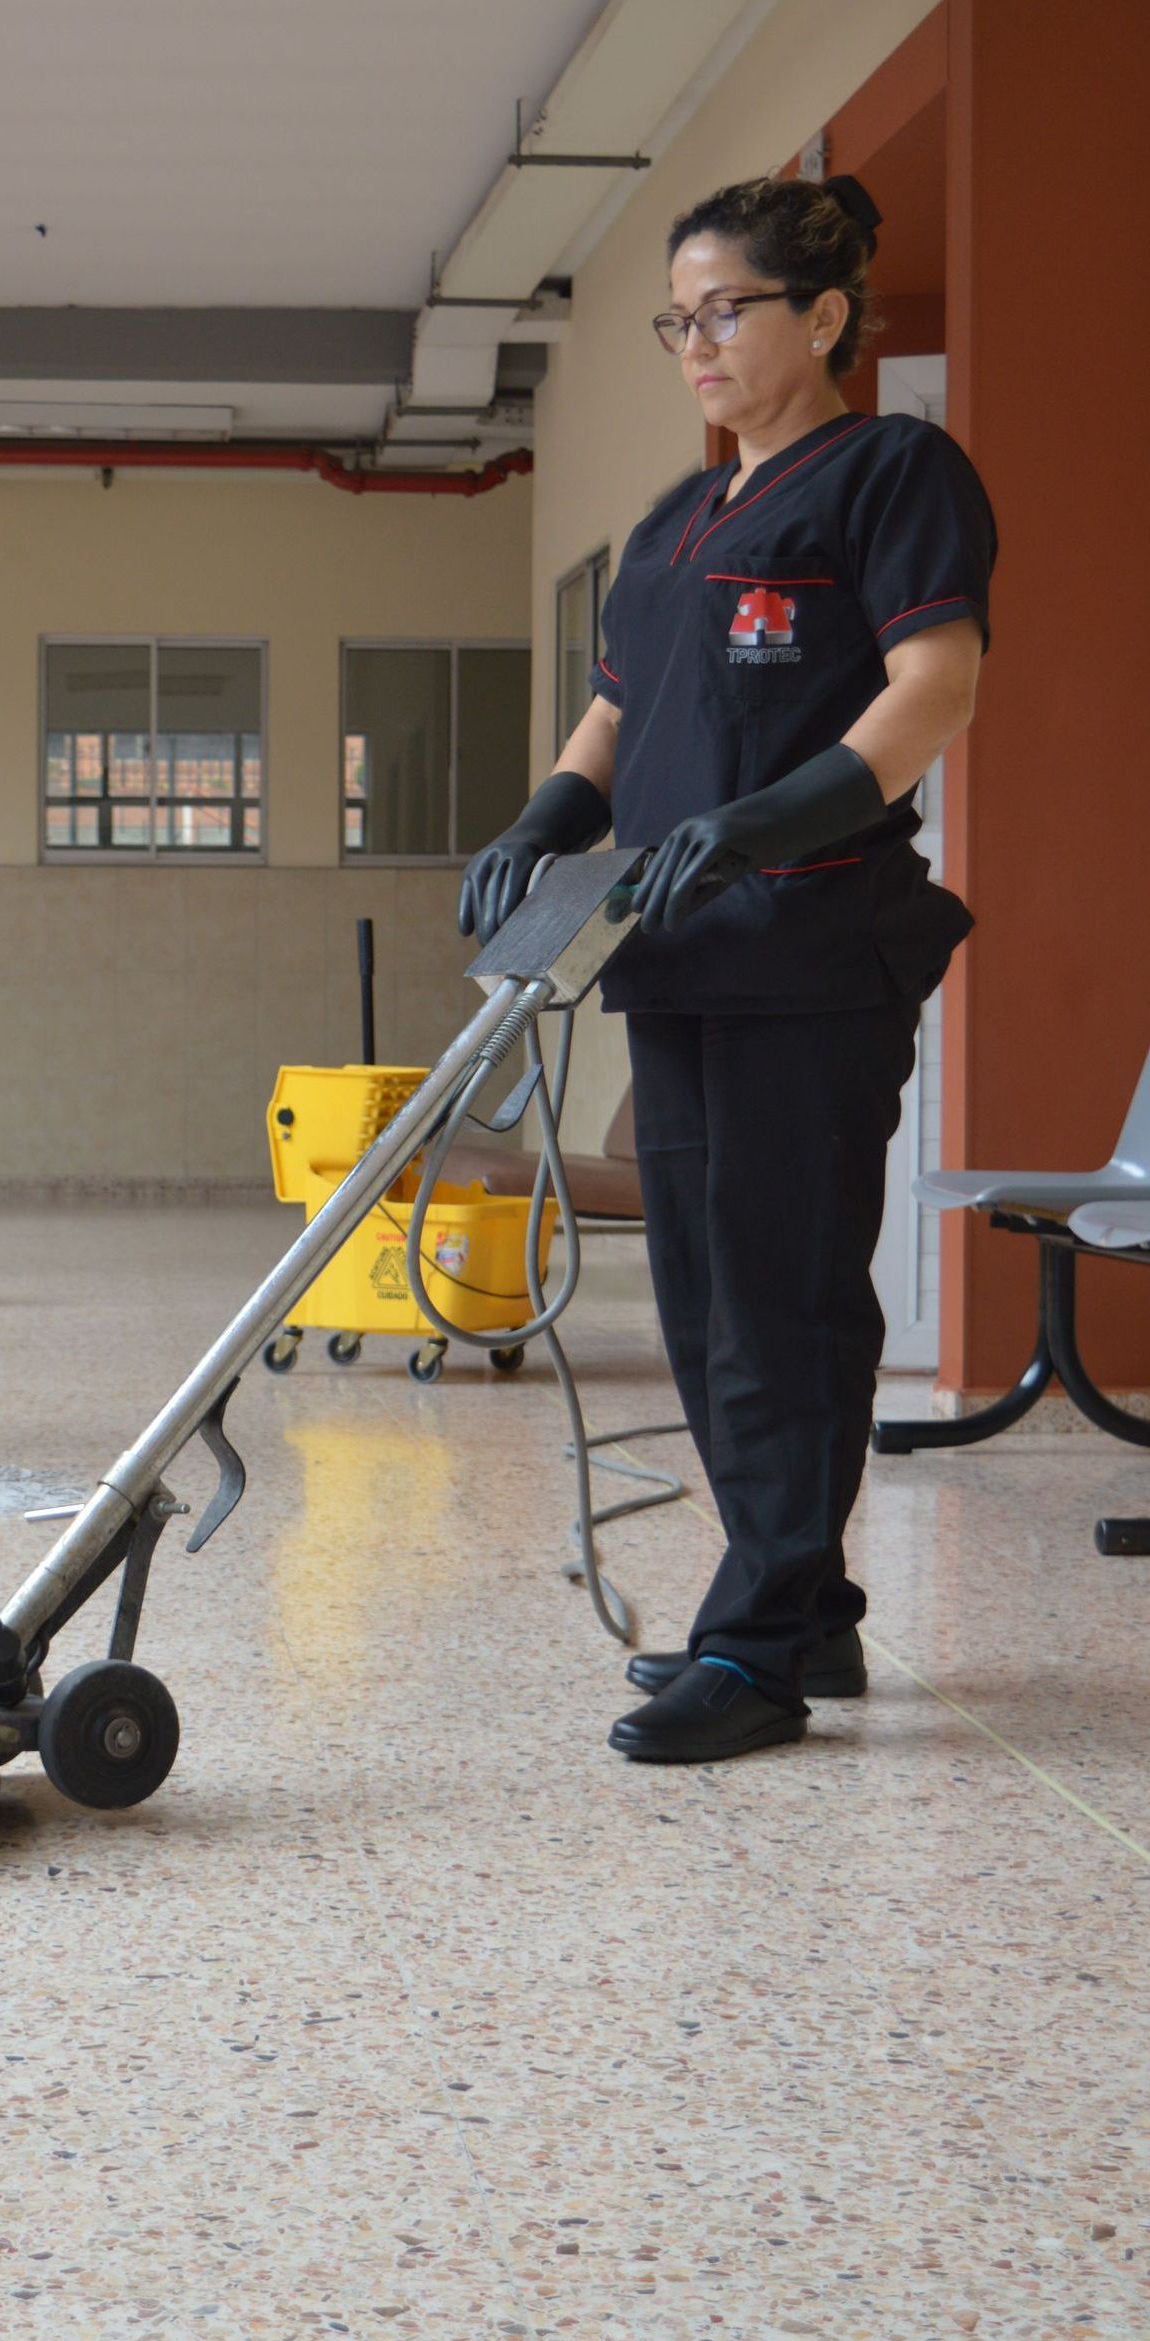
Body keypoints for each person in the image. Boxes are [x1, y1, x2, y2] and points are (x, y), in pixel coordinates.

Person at [457, 175, 995, 1765]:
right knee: (702, 1301)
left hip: (815, 944)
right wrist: (548, 818)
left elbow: (935, 684)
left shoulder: (891, 473)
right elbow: (621, 718)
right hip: (676, 952)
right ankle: (806, 1610)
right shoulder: (675, 524)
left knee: (783, 1299)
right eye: (676, 319)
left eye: (724, 311)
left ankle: (753, 1647)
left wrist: (769, 820)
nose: (695, 342)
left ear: (821, 318)